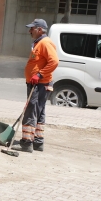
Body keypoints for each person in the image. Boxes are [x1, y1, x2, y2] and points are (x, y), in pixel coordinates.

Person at [14, 18, 59, 153]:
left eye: (32, 28)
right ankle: (38, 142)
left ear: (40, 30)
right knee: (38, 113)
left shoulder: (45, 43)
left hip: (40, 84)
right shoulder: (39, 42)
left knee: (31, 112)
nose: (30, 31)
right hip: (38, 83)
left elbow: (54, 62)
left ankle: (26, 143)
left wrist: (39, 75)